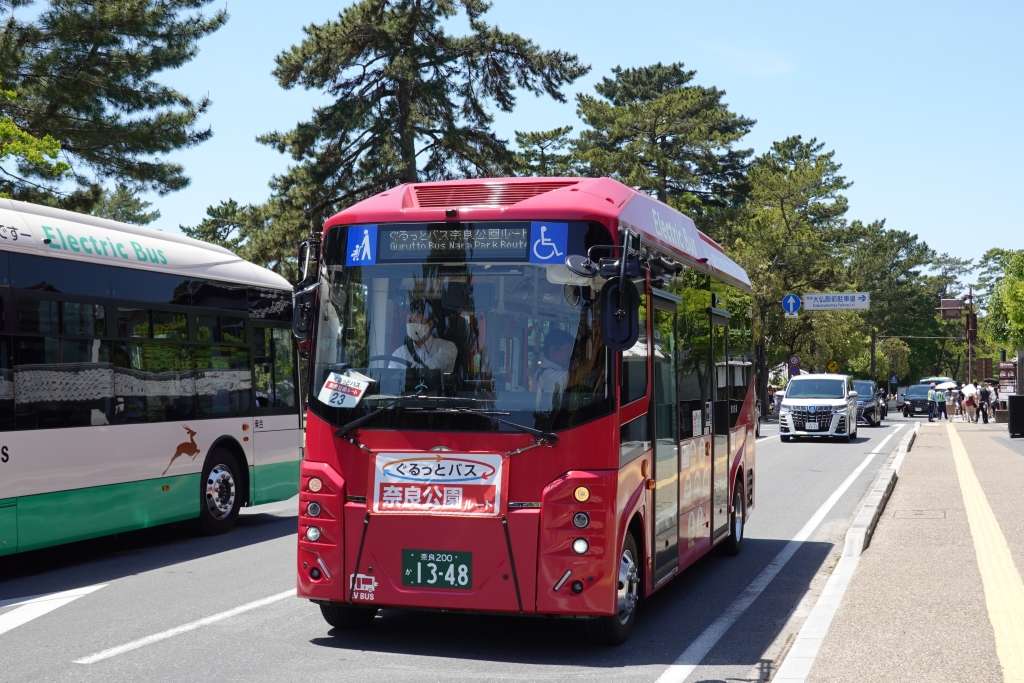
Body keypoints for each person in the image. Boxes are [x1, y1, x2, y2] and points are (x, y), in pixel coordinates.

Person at [390, 299, 457, 373]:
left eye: (418, 313)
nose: (412, 318)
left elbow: (427, 371)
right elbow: (392, 381)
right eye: (411, 313)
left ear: (431, 323)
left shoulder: (448, 348)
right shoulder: (398, 354)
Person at [534, 328, 573, 406]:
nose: (571, 354)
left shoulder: (552, 371)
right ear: (554, 350)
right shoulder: (546, 374)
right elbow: (573, 378)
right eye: (568, 349)